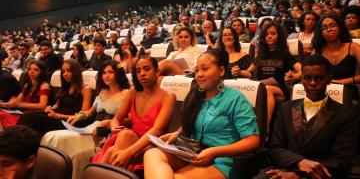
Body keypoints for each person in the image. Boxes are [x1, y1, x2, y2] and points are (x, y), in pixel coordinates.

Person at [144, 49, 260, 179]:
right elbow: (195, 120)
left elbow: (253, 140)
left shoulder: (235, 99)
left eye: (205, 69)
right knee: (151, 153)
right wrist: (177, 133)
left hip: (222, 161)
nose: (199, 74)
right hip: (194, 153)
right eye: (197, 70)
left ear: (221, 71)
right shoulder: (196, 95)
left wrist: (214, 152)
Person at [254, 55, 359, 179]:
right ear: (301, 79)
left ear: (329, 79)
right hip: (285, 168)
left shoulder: (347, 115)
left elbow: (342, 161)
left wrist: (299, 175)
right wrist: (299, 162)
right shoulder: (285, 109)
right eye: (307, 78)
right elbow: (275, 148)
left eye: (319, 78)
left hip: (322, 174)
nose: (313, 83)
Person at [41, 60, 130, 179]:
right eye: (104, 73)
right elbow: (89, 112)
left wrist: (109, 122)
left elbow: (129, 119)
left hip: (106, 133)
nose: (106, 76)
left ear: (118, 74)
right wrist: (79, 115)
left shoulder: (127, 93)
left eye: (110, 72)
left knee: (60, 138)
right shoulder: (103, 91)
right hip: (91, 128)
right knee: (52, 136)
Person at [92, 56, 176, 171]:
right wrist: (114, 126)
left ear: (157, 72)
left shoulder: (168, 97)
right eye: (138, 71)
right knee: (124, 137)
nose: (142, 74)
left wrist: (128, 152)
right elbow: (117, 118)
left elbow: (157, 130)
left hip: (152, 144)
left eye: (147, 69)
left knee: (120, 143)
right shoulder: (133, 92)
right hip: (129, 140)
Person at [18, 59, 92, 135]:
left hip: (69, 123)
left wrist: (58, 116)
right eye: (63, 71)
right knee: (26, 116)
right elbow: (57, 105)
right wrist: (50, 108)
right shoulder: (65, 88)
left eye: (68, 71)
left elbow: (82, 116)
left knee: (30, 117)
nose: (65, 74)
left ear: (76, 72)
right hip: (57, 118)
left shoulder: (85, 89)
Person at [254, 22, 302, 131]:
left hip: (279, 90)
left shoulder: (285, 55)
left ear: (279, 36)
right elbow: (249, 72)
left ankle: (263, 130)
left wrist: (294, 76)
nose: (269, 36)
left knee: (267, 89)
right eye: (266, 34)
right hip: (259, 88)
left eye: (273, 33)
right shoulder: (261, 54)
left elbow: (303, 70)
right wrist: (239, 72)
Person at [312, 13, 360, 100]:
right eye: (324, 28)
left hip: (348, 89)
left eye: (332, 26)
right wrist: (295, 75)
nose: (329, 29)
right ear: (321, 33)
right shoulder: (318, 50)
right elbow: (307, 71)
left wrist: (341, 82)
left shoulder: (353, 47)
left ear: (340, 29)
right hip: (323, 90)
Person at [0, 60, 50, 129]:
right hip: (25, 113)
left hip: (36, 115)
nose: (31, 72)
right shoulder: (27, 85)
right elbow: (17, 102)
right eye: (29, 69)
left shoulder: (44, 85)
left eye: (36, 70)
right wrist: (4, 104)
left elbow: (42, 105)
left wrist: (21, 104)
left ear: (42, 72)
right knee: (2, 114)